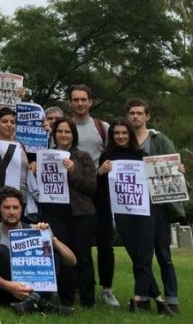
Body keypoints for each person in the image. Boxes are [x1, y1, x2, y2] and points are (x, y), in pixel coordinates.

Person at [97, 119, 174, 316]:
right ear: (112, 136)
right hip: (123, 213)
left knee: (145, 256)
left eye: (124, 133)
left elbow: (160, 178)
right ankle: (158, 299)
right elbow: (99, 188)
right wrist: (100, 172)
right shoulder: (106, 157)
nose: (120, 136)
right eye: (116, 133)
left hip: (146, 211)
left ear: (130, 135)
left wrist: (176, 172)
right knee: (138, 258)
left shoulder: (142, 156)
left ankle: (138, 298)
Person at [0, 187, 76, 315]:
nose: (12, 212)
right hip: (5, 291)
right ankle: (40, 303)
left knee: (53, 253)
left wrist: (52, 239)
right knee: (0, 250)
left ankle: (31, 302)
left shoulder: (33, 230)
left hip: (34, 287)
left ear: (21, 209)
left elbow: (72, 261)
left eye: (15, 207)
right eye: (7, 208)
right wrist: (10, 286)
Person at [126, 98, 183, 315]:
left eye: (140, 113)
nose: (135, 117)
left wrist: (179, 169)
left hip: (157, 205)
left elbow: (173, 166)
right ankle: (145, 295)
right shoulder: (125, 140)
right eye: (132, 113)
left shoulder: (159, 140)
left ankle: (172, 298)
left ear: (147, 116)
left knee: (163, 253)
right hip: (134, 205)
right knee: (142, 256)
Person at [68, 84, 117, 307]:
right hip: (74, 191)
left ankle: (107, 289)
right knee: (79, 242)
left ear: (90, 101)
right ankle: (79, 285)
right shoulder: (64, 127)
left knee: (105, 242)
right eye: (75, 99)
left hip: (100, 189)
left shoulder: (102, 127)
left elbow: (119, 148)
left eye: (83, 99)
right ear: (70, 102)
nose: (79, 103)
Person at [41, 117, 97, 308]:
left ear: (74, 135)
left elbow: (91, 187)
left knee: (83, 257)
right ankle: (66, 299)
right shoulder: (46, 155)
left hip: (81, 213)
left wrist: (73, 171)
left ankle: (88, 300)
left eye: (68, 132)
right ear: (54, 134)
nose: (63, 135)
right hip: (55, 213)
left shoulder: (83, 157)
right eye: (60, 131)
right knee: (62, 255)